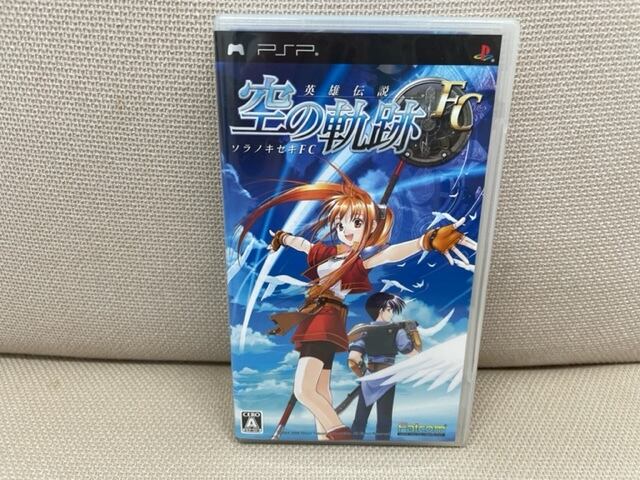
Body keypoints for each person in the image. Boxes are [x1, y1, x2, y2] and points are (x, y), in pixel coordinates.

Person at [348, 293, 421, 440]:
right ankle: (382, 447)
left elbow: (353, 359)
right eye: (389, 309)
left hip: (369, 378)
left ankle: (352, 446)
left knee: (360, 420)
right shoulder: (397, 330)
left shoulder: (364, 331)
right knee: (384, 421)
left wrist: (365, 376)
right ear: (380, 310)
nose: (392, 313)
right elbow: (414, 354)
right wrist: (414, 333)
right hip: (387, 377)